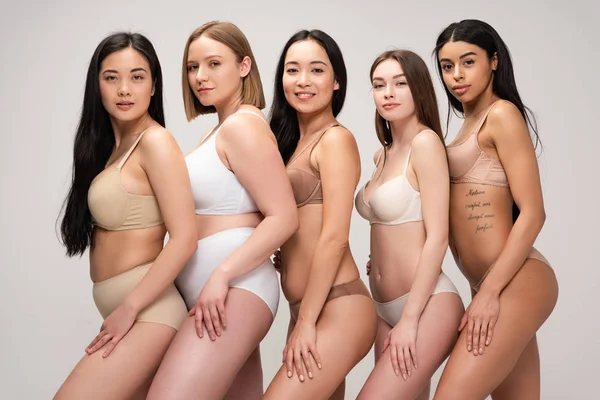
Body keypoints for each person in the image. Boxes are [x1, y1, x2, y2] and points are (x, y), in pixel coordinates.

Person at [146, 21, 298, 400]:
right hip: (215, 288)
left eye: (213, 64)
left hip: (234, 287)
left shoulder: (242, 127)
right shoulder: (217, 131)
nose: (200, 76)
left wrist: (222, 274)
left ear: (244, 66)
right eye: (192, 67)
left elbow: (283, 216)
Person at [55, 32, 196, 399]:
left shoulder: (155, 142)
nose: (124, 89)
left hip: (148, 312)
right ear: (96, 86)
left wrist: (129, 308)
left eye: (137, 77)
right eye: (111, 77)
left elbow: (184, 238)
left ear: (153, 86)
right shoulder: (111, 151)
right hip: (126, 312)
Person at [432, 19, 559, 400]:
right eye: (447, 66)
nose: (456, 75)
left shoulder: (501, 115)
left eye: (468, 62)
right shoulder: (464, 126)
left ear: (494, 61)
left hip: (515, 281)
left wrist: (488, 293)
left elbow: (534, 212)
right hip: (488, 285)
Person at [263, 29, 377, 400]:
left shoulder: (335, 140)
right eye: (292, 70)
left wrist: (307, 322)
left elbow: (334, 236)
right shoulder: (292, 146)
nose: (303, 81)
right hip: (306, 308)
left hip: (337, 307)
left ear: (336, 80)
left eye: (316, 70)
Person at [355, 49, 464, 400]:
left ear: (418, 88)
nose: (387, 92)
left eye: (399, 83)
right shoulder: (382, 153)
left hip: (426, 304)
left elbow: (437, 238)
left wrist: (411, 319)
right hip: (383, 309)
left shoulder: (426, 144)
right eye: (379, 84)